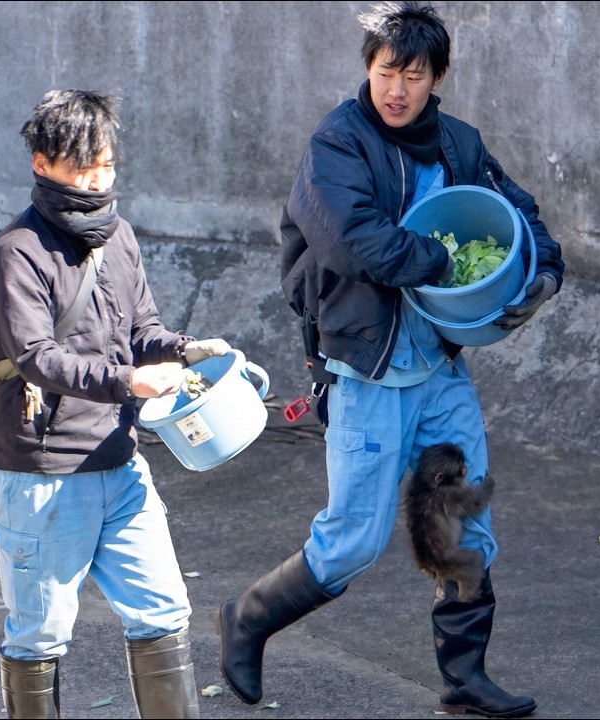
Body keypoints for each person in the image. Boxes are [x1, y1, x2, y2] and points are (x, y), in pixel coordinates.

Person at [216, 3, 564, 718]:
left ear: (437, 78)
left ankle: (465, 682)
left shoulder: (459, 145)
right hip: (365, 371)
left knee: (465, 522)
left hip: (437, 370)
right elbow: (354, 242)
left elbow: (521, 216)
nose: (397, 90)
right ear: (367, 71)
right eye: (385, 73)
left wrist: (543, 275)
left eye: (413, 75)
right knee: (354, 541)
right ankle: (247, 618)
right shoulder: (336, 146)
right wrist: (440, 257)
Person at [0, 89, 230, 720]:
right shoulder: (17, 253)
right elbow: (38, 356)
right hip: (45, 474)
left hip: (121, 464)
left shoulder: (118, 236)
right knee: (39, 636)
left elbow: (140, 328)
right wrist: (130, 383)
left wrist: (186, 348)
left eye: (106, 166)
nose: (97, 182)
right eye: (81, 167)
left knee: (164, 612)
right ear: (42, 163)